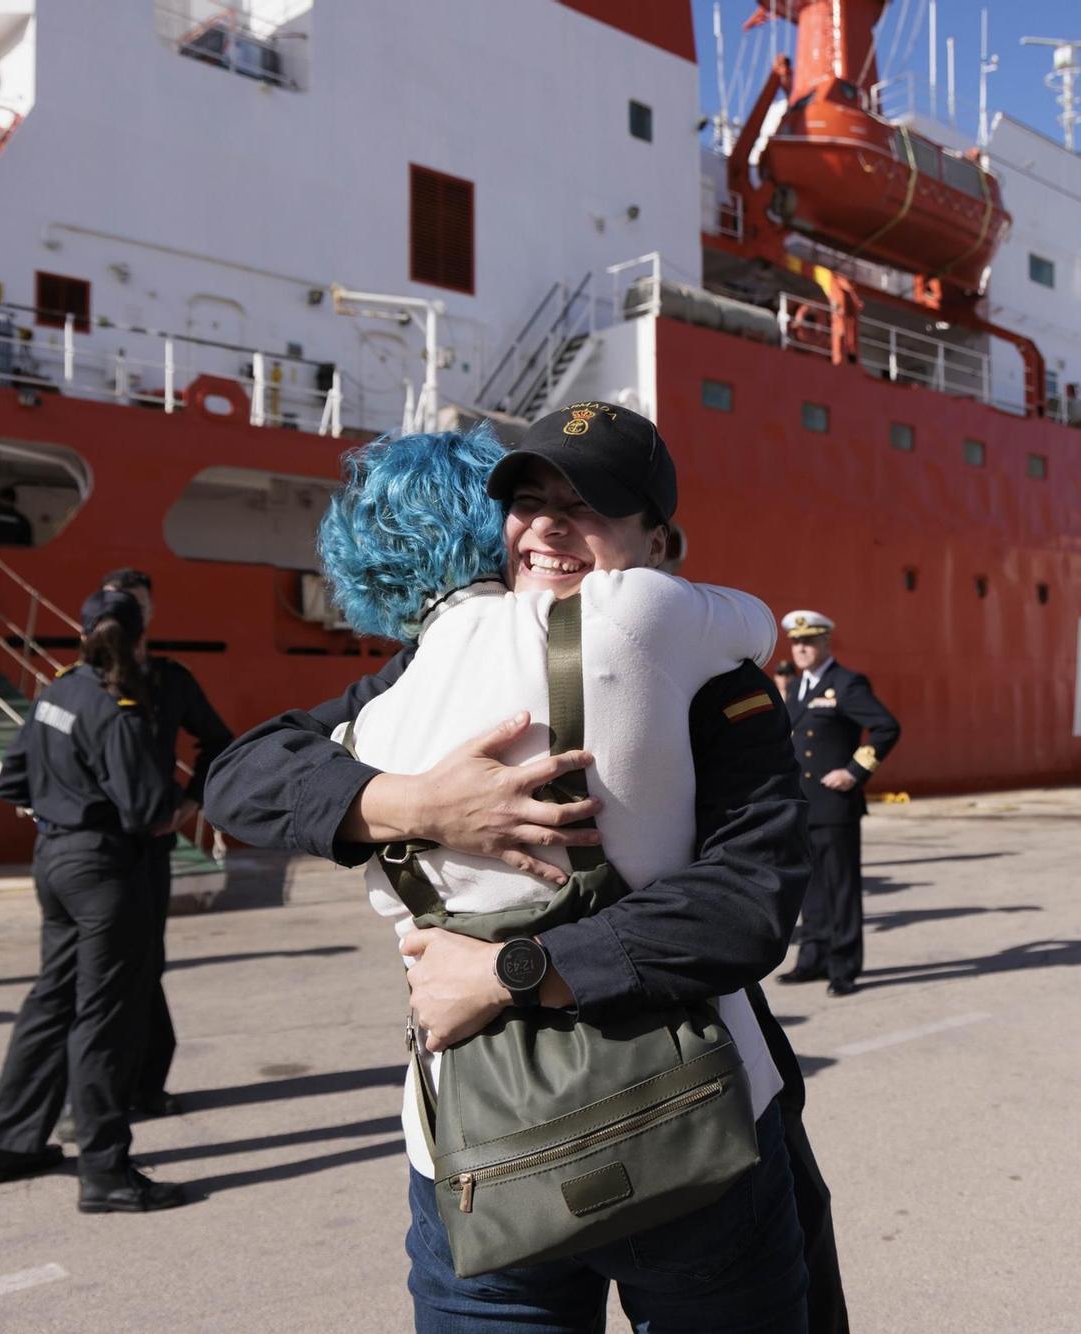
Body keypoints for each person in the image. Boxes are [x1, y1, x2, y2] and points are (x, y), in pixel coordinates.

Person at [205, 402, 849, 1333]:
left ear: (660, 541)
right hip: (490, 1153)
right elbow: (242, 775)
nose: (547, 523)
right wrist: (421, 804)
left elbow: (745, 906)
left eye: (584, 505)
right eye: (528, 500)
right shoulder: (442, 664)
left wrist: (510, 975)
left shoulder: (705, 676)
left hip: (675, 1122)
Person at [0, 588, 188, 1213]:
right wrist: (183, 805)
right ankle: (105, 1174)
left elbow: (11, 780)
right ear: (136, 635)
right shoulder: (112, 709)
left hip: (53, 860)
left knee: (49, 1002)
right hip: (104, 873)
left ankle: (10, 1145)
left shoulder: (55, 694)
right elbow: (148, 811)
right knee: (102, 1020)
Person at [99, 566, 233, 1117]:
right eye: (117, 602)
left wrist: (188, 801)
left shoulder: (167, 680)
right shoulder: (80, 682)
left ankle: (143, 1084)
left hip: (148, 848)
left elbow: (218, 740)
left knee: (146, 963)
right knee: (100, 973)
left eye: (136, 603)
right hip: (97, 851)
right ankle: (91, 1096)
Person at [776, 610, 901, 997]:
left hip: (835, 804)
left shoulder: (846, 684)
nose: (801, 649)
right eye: (796, 643)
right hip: (803, 806)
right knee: (810, 888)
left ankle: (844, 966)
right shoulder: (796, 689)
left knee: (841, 888)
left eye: (809, 641)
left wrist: (854, 771)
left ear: (826, 642)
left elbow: (886, 727)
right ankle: (812, 957)